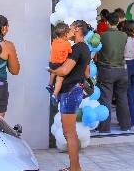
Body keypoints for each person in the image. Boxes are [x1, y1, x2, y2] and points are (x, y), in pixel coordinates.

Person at [49, 20, 92, 171]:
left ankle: (75, 168)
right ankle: (74, 167)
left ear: (77, 29)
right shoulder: (85, 48)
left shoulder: (77, 48)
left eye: (71, 28)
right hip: (76, 90)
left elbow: (64, 70)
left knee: (69, 132)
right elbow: (87, 73)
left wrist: (52, 70)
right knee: (70, 131)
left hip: (70, 91)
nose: (68, 30)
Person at [96, 12, 131, 133]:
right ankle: (125, 125)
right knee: (122, 98)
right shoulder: (124, 35)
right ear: (118, 22)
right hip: (122, 70)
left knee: (106, 98)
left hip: (107, 69)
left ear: (106, 22)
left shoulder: (102, 36)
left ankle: (104, 128)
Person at [46, 23, 72, 105]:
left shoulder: (54, 41)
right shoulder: (67, 44)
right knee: (59, 79)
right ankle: (55, 94)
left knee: (53, 73)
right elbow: (70, 52)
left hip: (52, 63)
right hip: (60, 64)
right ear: (65, 34)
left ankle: (50, 84)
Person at [123, 20, 134, 129]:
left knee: (127, 94)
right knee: (133, 94)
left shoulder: (124, 39)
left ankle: (129, 119)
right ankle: (132, 119)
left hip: (127, 63)